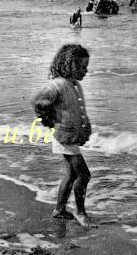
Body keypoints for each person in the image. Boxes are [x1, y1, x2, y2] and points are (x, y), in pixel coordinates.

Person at [31, 44, 96, 228]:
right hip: (64, 137)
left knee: (70, 174)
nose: (86, 70)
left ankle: (59, 210)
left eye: (86, 66)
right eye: (82, 66)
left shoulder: (74, 85)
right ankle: (80, 212)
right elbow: (37, 101)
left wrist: (86, 124)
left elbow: (77, 109)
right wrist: (48, 121)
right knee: (84, 175)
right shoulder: (58, 85)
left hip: (69, 137)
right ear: (69, 65)